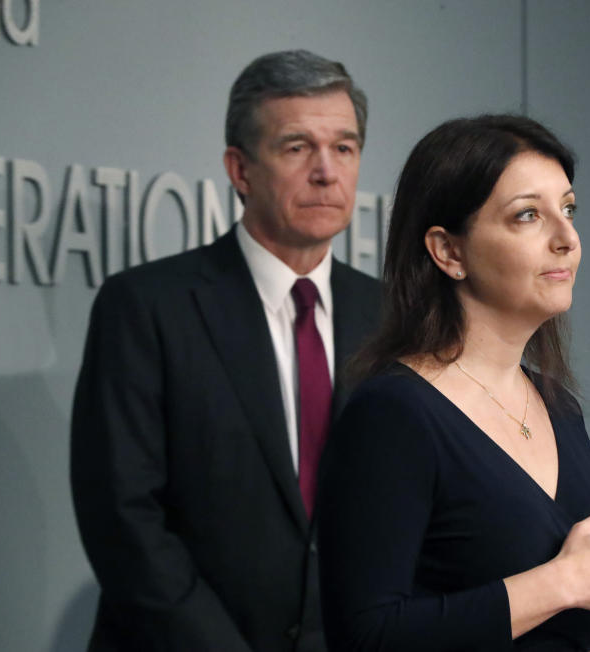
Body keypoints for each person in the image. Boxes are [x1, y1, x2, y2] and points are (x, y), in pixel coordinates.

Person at [317, 115, 590, 651]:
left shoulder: (560, 407)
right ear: (449, 252)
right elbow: (368, 635)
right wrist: (568, 579)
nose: (567, 238)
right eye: (528, 215)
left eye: (569, 209)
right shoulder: (393, 413)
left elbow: (567, 627)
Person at [70, 49, 381, 651]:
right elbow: (124, 519)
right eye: (297, 148)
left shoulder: (392, 317)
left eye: (344, 147)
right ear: (240, 171)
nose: (326, 171)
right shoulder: (146, 307)